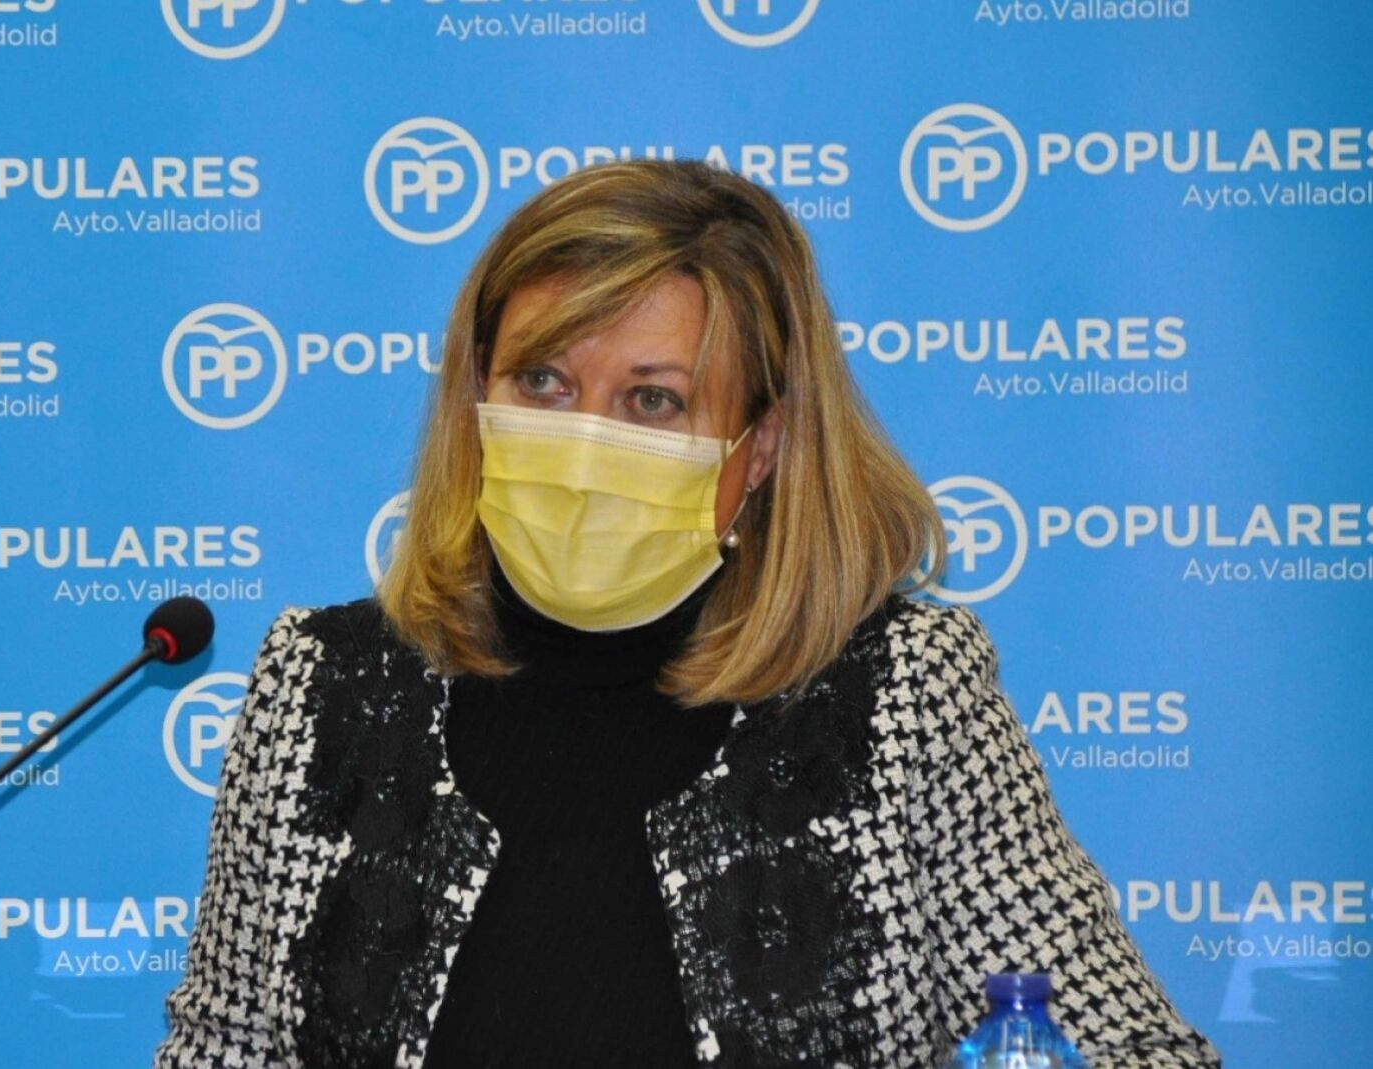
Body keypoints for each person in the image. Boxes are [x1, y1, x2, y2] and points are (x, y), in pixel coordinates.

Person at [151, 159, 1221, 1069]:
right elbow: (219, 1048)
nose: (583, 447)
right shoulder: (325, 684)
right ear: (477, 394)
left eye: (652, 400)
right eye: (543, 383)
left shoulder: (900, 692)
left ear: (761, 447)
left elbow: (1130, 1045)